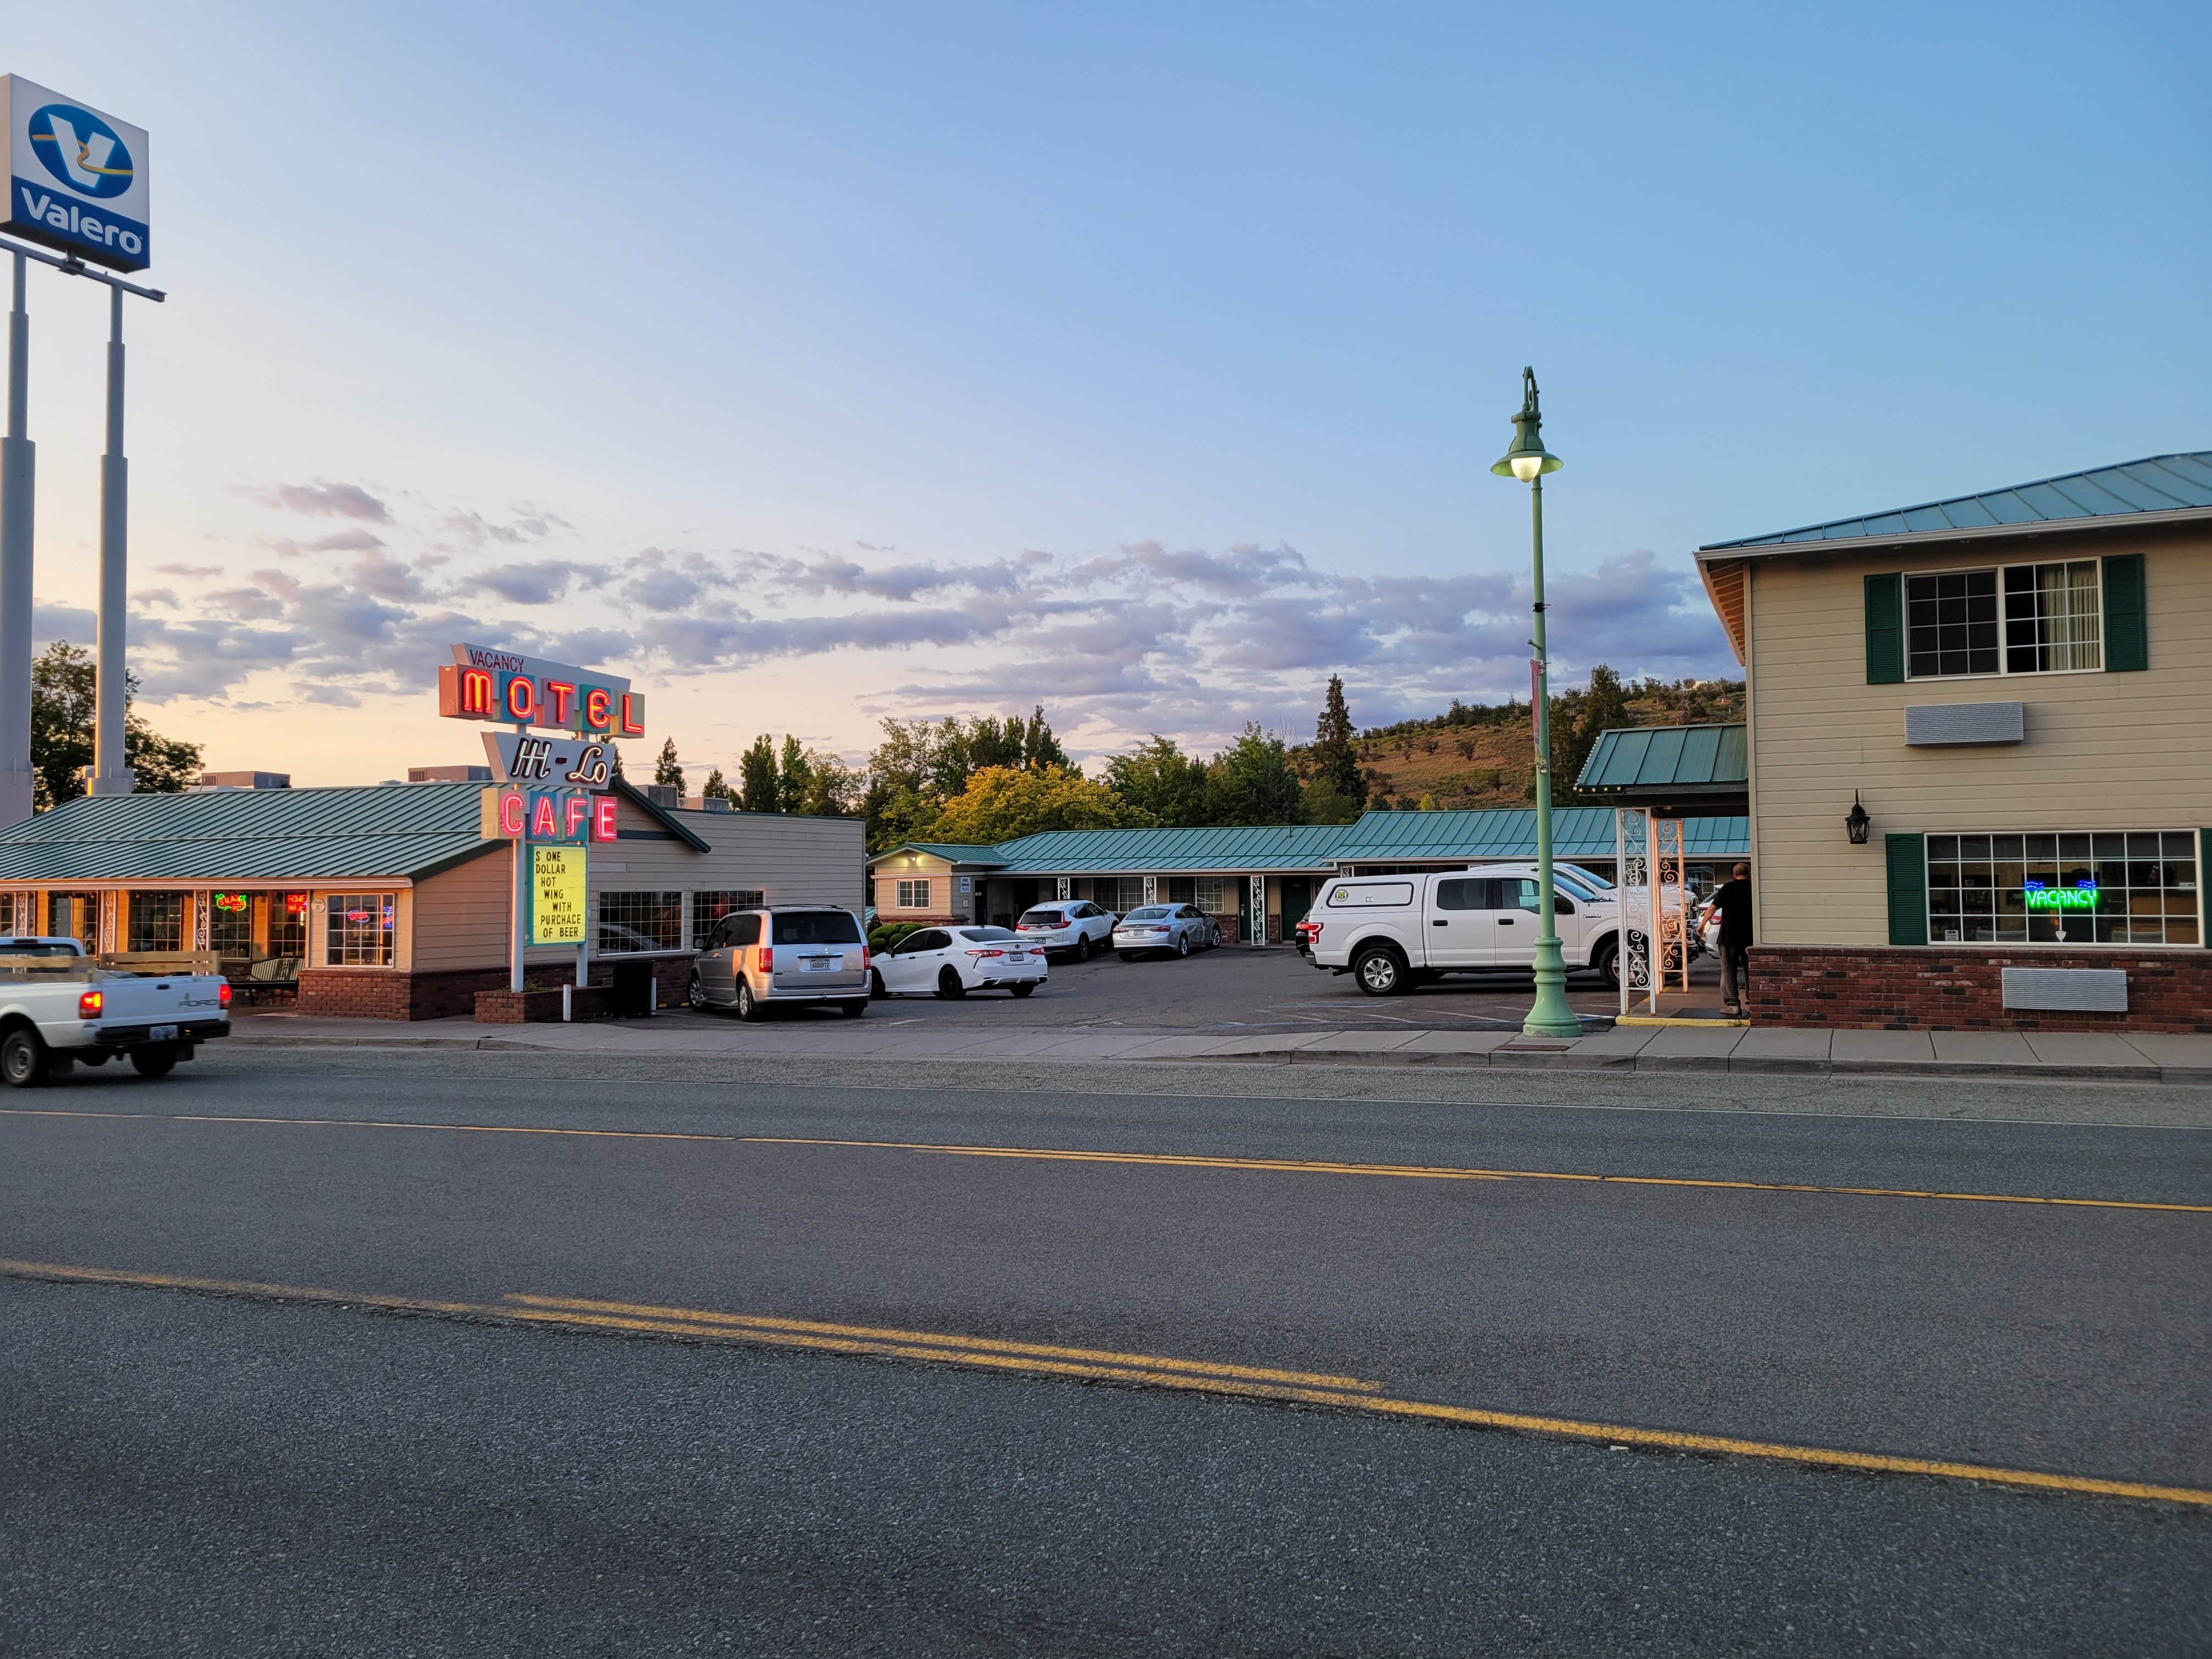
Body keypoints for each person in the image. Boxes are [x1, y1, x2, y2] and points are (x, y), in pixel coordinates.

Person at [1704, 862, 1753, 1014]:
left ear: (1734, 874)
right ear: (1749, 874)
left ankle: (1734, 1005)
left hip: (1728, 936)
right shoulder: (1753, 888)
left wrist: (1702, 925)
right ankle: (1754, 1002)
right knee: (1751, 970)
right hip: (1750, 937)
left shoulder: (1727, 888)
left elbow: (1712, 908)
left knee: (1728, 971)